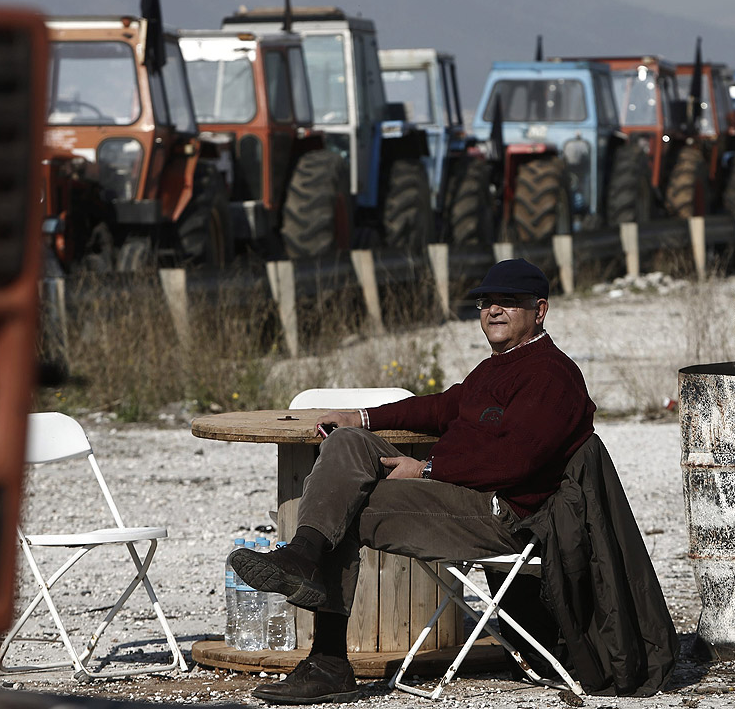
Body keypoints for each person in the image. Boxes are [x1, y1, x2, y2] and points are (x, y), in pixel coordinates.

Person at [230, 258, 596, 705]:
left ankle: (328, 660)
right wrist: (360, 418)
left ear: (539, 311)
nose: (493, 310)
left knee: (348, 506)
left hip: (500, 514)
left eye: (508, 302)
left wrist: (426, 469)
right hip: (457, 496)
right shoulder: (496, 368)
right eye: (485, 302)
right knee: (347, 443)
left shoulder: (551, 376)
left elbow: (515, 461)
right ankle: (304, 554)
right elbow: (440, 408)